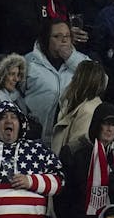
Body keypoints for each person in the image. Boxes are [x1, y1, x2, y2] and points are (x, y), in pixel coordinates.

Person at [24, 18, 91, 146]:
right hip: (34, 140)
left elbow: (102, 81)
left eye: (67, 36)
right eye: (57, 36)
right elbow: (12, 94)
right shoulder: (28, 63)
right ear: (46, 39)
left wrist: (71, 59)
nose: (64, 40)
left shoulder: (81, 61)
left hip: (69, 142)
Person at [52, 60, 107, 156]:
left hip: (68, 168)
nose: (72, 78)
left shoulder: (89, 111)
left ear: (82, 80)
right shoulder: (73, 103)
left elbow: (75, 152)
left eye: (76, 75)